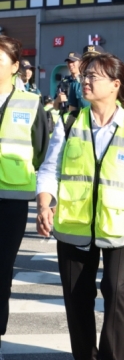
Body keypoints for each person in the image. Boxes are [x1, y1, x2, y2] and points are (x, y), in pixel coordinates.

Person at [36, 52, 124, 360]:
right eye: (84, 76)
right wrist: (44, 204)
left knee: (117, 297)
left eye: (93, 77)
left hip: (120, 226)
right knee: (77, 300)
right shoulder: (69, 121)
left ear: (116, 84)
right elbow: (51, 169)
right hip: (73, 224)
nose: (85, 81)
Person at [0, 36, 49, 359]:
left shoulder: (32, 103)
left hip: (11, 201)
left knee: (1, 272)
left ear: (16, 67)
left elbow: (41, 150)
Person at [68, 45, 106, 112]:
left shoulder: (110, 84)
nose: (90, 64)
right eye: (87, 61)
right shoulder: (75, 85)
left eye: (94, 61)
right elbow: (72, 113)